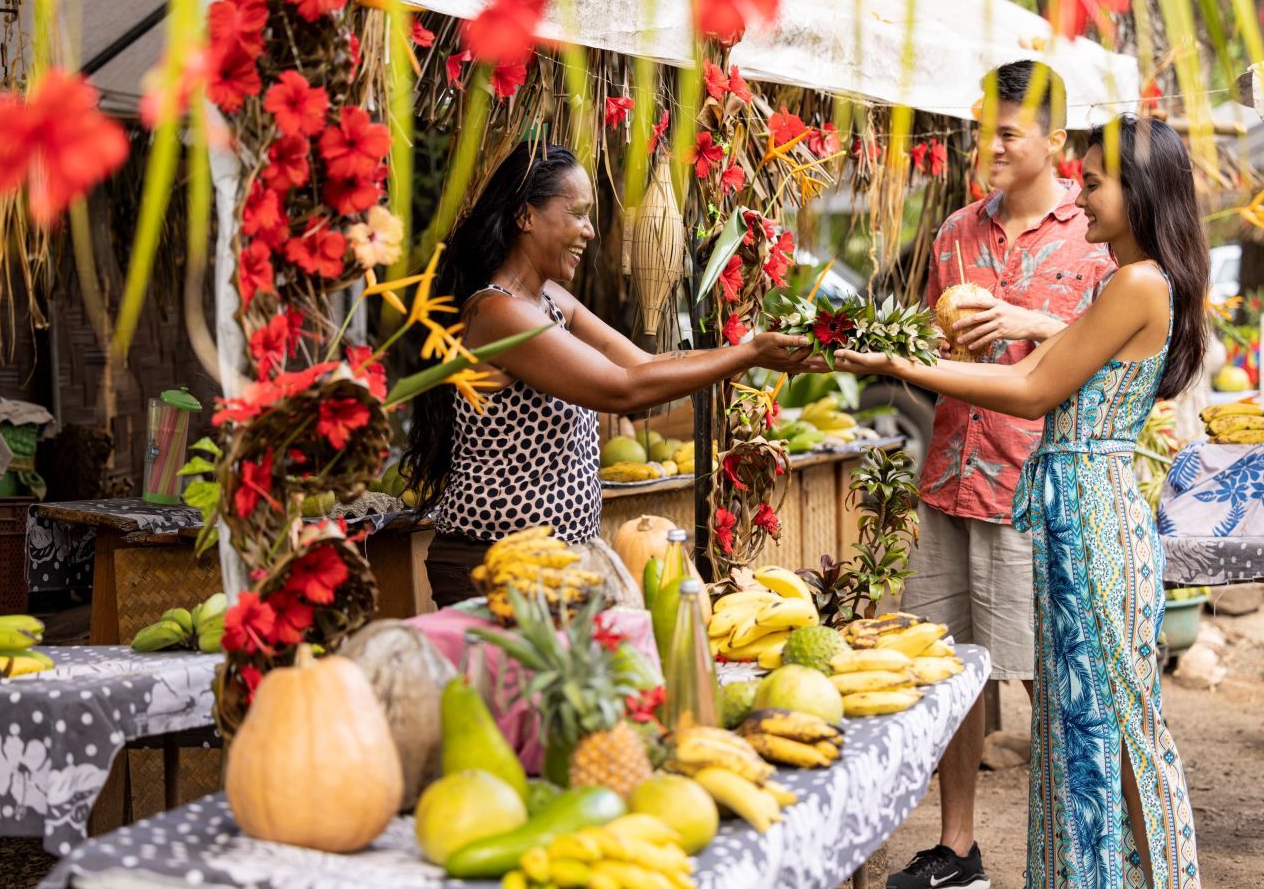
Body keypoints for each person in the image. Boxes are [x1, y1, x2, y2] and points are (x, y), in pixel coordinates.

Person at [838, 114, 1205, 889]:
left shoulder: (1137, 282)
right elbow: (1036, 373)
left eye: (1097, 183)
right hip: (1078, 517)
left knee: (1116, 728)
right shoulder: (1126, 280)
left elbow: (1032, 389)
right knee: (1085, 726)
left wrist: (894, 360)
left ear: (1140, 194)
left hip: (1095, 523)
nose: (1083, 193)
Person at [402, 142, 826, 605]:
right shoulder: (497, 313)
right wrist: (748, 355)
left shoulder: (548, 302)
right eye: (578, 214)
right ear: (525, 216)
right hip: (492, 568)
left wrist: (749, 349)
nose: (589, 231)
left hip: (551, 567)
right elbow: (624, 391)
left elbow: (641, 366)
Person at [888, 61, 1114, 889]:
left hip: (1035, 487)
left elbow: (1120, 353)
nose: (986, 146)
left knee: (1053, 676)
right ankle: (958, 851)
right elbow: (940, 358)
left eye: (1006, 132)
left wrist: (1033, 320)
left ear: (1056, 140)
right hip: (950, 477)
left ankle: (1077, 853)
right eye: (979, 128)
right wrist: (928, 348)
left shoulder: (1092, 234)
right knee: (952, 677)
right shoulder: (953, 233)